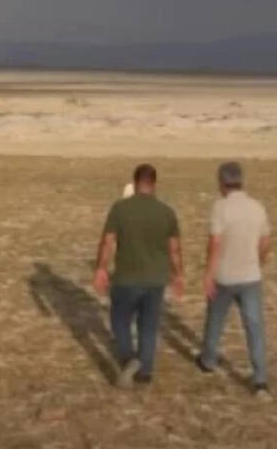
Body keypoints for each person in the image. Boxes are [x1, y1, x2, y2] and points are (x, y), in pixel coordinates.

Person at [93, 163, 183, 388]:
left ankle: (128, 358)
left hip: (127, 277)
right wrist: (178, 275)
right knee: (149, 326)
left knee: (120, 321)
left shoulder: (120, 208)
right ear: (154, 184)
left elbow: (108, 241)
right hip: (155, 280)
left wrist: (101, 268)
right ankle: (144, 372)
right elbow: (174, 248)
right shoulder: (166, 212)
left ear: (135, 182)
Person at [197, 161, 272, 395]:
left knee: (215, 321)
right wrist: (257, 262)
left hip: (224, 277)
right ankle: (260, 379)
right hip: (251, 277)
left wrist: (208, 274)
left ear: (222, 183)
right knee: (254, 327)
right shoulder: (257, 207)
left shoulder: (220, 208)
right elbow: (265, 241)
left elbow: (215, 244)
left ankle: (208, 360)